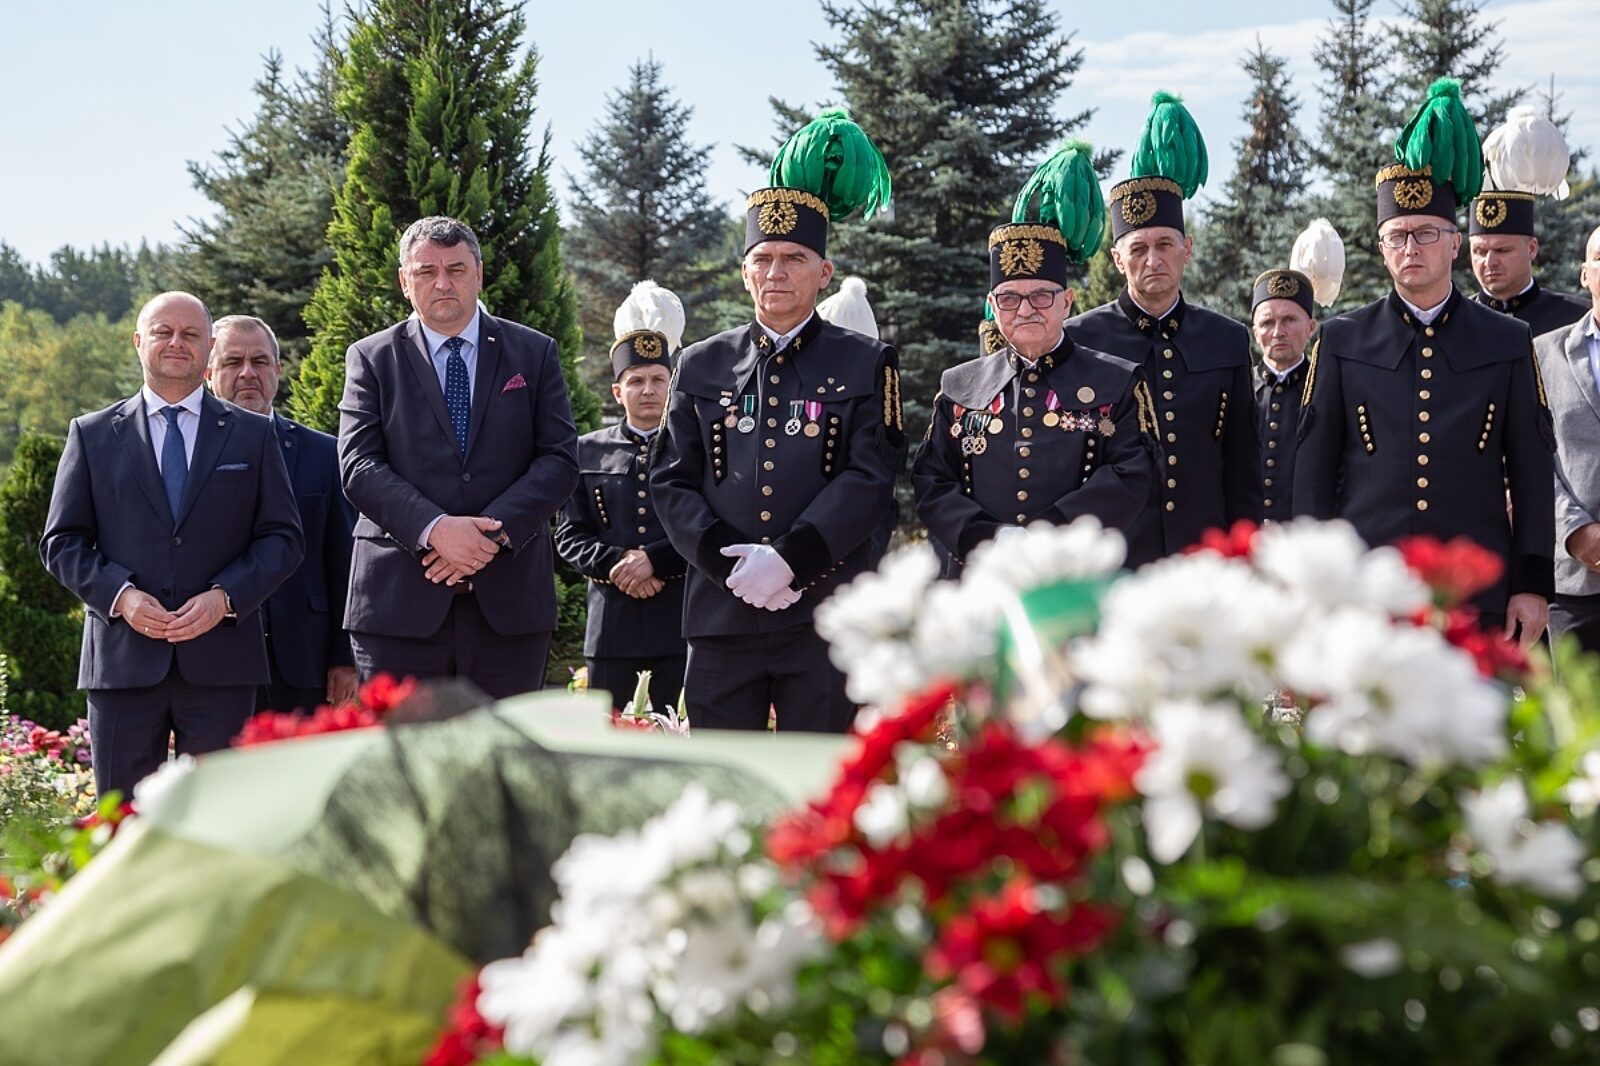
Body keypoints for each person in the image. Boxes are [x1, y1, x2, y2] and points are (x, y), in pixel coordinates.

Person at [651, 108, 902, 733]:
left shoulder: (866, 361)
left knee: (821, 776)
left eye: (794, 258)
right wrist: (729, 565)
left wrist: (793, 559)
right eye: (763, 259)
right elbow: (671, 479)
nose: (777, 272)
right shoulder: (701, 363)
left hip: (824, 613)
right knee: (722, 776)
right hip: (721, 614)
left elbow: (871, 477)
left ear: (825, 272)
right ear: (744, 271)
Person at [1295, 79, 1554, 644]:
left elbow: (1532, 471)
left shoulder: (1508, 340)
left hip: (1477, 595)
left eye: (1427, 234)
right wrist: (1315, 588)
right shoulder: (1341, 340)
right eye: (1398, 236)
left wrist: (1532, 584)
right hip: (1369, 595)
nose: (1411, 248)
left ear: (1455, 243)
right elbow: (1313, 472)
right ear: (1382, 249)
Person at [40, 292, 304, 797]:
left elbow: (283, 539)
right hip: (123, 663)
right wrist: (122, 597)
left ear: (208, 347)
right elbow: (62, 542)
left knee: (219, 818)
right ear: (139, 342)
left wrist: (225, 598)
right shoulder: (92, 435)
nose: (176, 343)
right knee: (121, 821)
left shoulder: (252, 435)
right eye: (164, 332)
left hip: (223, 664)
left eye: (190, 334)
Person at [338, 216, 579, 698]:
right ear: (405, 281)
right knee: (404, 749)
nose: (443, 283)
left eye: (456, 269)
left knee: (505, 747)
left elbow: (559, 459)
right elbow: (359, 465)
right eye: (426, 272)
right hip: (398, 608)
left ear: (479, 275)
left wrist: (488, 535)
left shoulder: (533, 352)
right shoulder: (371, 358)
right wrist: (435, 531)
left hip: (509, 607)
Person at [915, 141, 1157, 569]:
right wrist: (989, 539)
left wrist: (1045, 537)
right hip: (981, 577)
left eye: (1041, 296)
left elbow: (1130, 475)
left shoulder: (1118, 382)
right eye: (1009, 299)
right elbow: (932, 481)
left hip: (1078, 577)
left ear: (1067, 302)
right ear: (993, 306)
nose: (1025, 310)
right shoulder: (959, 385)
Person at [1065, 91, 1262, 565]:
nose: (1153, 259)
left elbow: (1243, 464)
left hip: (1203, 554)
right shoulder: (1080, 339)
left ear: (1187, 249)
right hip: (1115, 559)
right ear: (1117, 259)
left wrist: (1246, 554)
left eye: (1165, 244)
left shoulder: (1227, 338)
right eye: (1137, 249)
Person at [204, 314, 357, 714]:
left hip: (306, 661)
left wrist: (346, 655)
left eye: (260, 361)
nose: (248, 373)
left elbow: (345, 561)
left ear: (278, 369)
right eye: (232, 362)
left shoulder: (324, 453)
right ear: (208, 372)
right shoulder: (186, 455)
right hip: (212, 661)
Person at [555, 282, 688, 714]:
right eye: (636, 381)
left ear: (672, 385)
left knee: (678, 735)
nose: (648, 390)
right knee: (609, 737)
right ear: (618, 391)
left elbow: (708, 524)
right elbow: (569, 536)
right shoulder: (586, 450)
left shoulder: (695, 449)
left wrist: (657, 561)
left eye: (658, 379)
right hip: (611, 628)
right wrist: (619, 564)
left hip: (679, 624)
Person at [1249, 219, 1345, 524]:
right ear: (1255, 332)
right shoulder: (1240, 388)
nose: (1278, 331)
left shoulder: (1326, 389)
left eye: (1289, 320)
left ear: (1311, 327)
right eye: (1267, 322)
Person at [1469, 106, 1589, 338]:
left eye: (1502, 250)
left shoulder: (1577, 320)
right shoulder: (1454, 323)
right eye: (1480, 251)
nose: (1489, 262)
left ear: (1532, 248)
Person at [1537, 225, 1600, 652]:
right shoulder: (1543, 354)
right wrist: (1575, 530)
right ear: (1584, 274)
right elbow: (1528, 459)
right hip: (1576, 585)